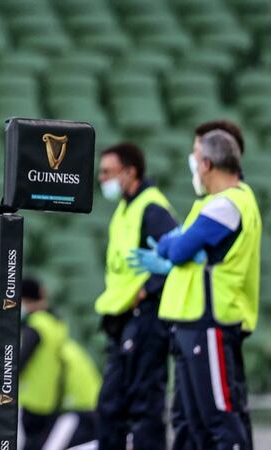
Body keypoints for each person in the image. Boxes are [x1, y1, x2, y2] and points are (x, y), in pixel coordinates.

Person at [131, 129, 261, 450]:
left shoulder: (228, 204)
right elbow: (183, 245)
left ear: (205, 164)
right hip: (191, 322)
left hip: (210, 323)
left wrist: (174, 245)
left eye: (194, 154)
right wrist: (179, 245)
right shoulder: (217, 203)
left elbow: (177, 247)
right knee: (189, 422)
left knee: (218, 418)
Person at [94, 143, 178, 450]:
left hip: (145, 320)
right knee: (110, 407)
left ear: (130, 172)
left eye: (108, 172)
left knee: (145, 407)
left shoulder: (152, 208)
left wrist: (145, 292)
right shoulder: (125, 208)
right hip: (122, 320)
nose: (102, 179)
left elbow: (175, 257)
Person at [19, 278, 69, 450]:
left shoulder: (35, 325)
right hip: (50, 399)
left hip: (30, 399)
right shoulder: (55, 324)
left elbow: (20, 361)